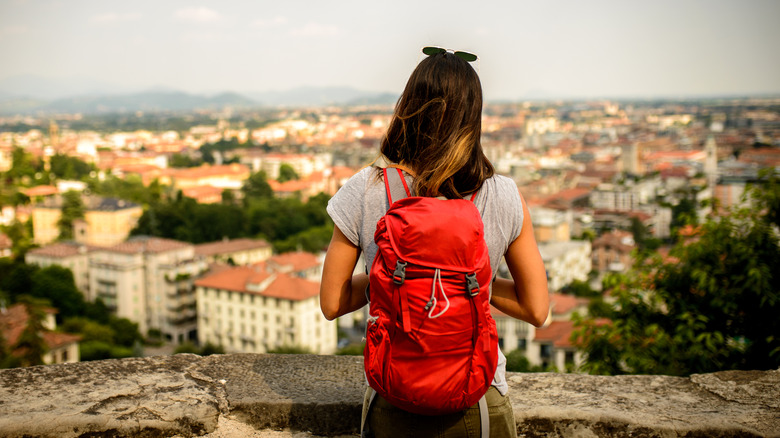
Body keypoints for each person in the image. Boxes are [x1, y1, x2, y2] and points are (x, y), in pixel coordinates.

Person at [320, 46, 549, 438]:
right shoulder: (504, 195)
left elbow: (332, 302)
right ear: (472, 117)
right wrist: (468, 283)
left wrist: (396, 281)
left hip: (395, 396)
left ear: (408, 107)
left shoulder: (365, 189)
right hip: (478, 398)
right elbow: (536, 308)